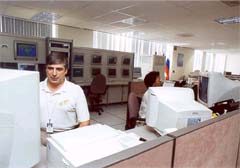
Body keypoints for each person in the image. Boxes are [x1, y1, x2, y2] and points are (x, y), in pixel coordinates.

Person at [40, 53, 90, 145]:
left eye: (59, 69)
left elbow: (85, 123)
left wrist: (71, 141)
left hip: (67, 136)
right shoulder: (35, 88)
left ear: (66, 71)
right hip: (39, 135)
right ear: (46, 69)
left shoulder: (76, 90)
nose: (54, 73)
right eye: (50, 68)